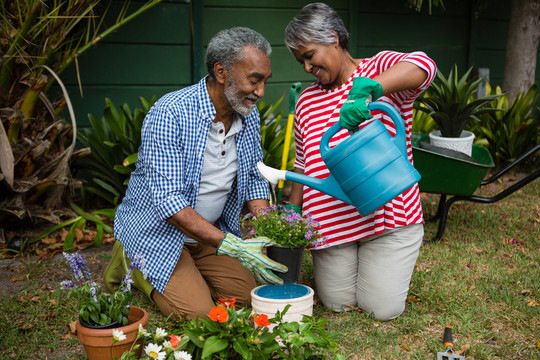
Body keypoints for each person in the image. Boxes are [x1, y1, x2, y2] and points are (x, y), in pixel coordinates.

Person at [104, 27, 287, 319]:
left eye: (265, 80)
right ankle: (129, 258)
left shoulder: (247, 116)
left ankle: (193, 273)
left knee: (246, 300)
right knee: (202, 316)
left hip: (207, 234)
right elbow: (168, 201)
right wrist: (229, 244)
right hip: (158, 234)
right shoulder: (170, 113)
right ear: (221, 71)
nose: (261, 92)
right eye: (254, 80)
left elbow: (254, 178)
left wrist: (265, 233)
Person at [283, 3, 437, 321]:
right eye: (301, 62)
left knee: (381, 309)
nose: (307, 68)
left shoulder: (379, 68)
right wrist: (292, 215)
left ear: (334, 38)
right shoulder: (307, 101)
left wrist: (370, 91)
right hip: (331, 226)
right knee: (337, 303)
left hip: (388, 222)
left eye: (310, 56)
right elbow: (302, 163)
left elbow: (424, 66)